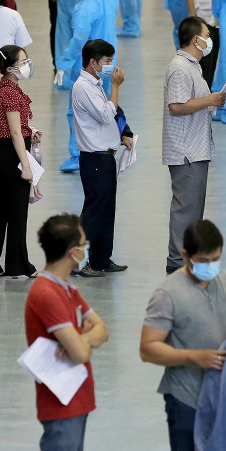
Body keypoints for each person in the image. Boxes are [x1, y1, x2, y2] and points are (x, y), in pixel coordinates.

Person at [141, 218, 226, 451]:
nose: (210, 266)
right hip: (186, 399)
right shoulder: (167, 294)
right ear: (186, 256)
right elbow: (148, 348)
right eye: (204, 261)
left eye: (216, 259)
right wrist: (194, 357)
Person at [25, 215, 108, 451]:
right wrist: (84, 340)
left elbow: (102, 329)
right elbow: (81, 354)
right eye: (83, 245)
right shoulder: (46, 294)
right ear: (72, 252)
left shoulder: (67, 288)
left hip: (78, 398)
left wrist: (81, 338)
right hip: (61, 403)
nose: (85, 249)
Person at [162, 18, 225, 274]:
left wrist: (211, 102)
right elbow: (176, 106)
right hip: (186, 151)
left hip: (196, 148)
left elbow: (192, 102)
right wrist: (209, 100)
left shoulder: (193, 67)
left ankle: (187, 256)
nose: (209, 40)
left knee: (193, 210)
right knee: (185, 209)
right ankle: (177, 260)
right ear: (195, 39)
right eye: (206, 35)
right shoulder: (180, 68)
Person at [0, 46, 38, 279]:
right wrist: (26, 165)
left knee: (0, 210)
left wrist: (31, 131)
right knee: (17, 213)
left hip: (7, 154)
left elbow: (18, 127)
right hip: (12, 156)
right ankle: (18, 265)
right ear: (11, 68)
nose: (27, 65)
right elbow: (14, 132)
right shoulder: (9, 93)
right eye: (23, 62)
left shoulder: (7, 87)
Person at [72, 39, 132, 275]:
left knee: (106, 211)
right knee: (94, 212)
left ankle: (101, 259)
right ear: (93, 62)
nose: (111, 66)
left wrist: (123, 134)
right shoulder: (83, 87)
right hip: (94, 159)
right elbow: (107, 114)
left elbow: (109, 117)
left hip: (105, 157)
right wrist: (116, 87)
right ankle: (77, 262)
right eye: (107, 61)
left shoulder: (95, 84)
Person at [56, 0, 120, 175]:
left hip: (90, 64)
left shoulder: (85, 9)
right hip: (109, 60)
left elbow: (78, 41)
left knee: (77, 109)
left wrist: (63, 63)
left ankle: (77, 154)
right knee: (108, 104)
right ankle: (107, 145)